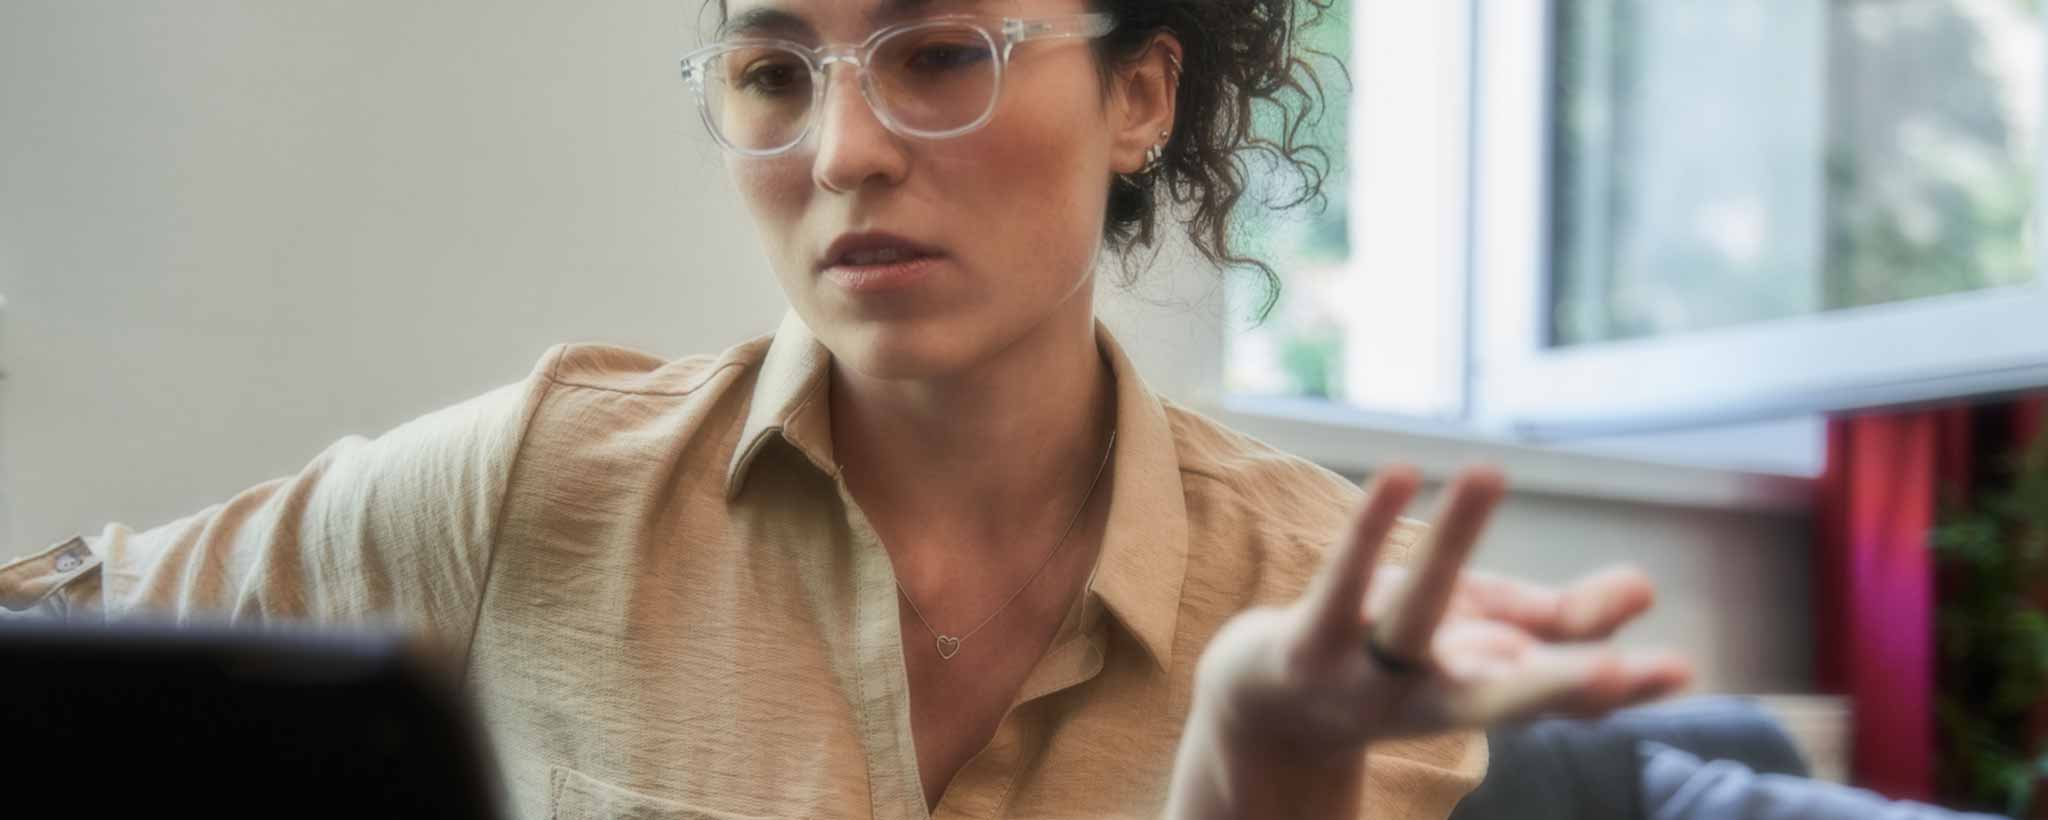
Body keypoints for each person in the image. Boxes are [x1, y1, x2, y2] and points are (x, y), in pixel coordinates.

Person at [0, 0, 1693, 817]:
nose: (845, 146)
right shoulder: (537, 484)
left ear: (1142, 95)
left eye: (939, 50)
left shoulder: (1329, 613)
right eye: (774, 70)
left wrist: (1261, 752)